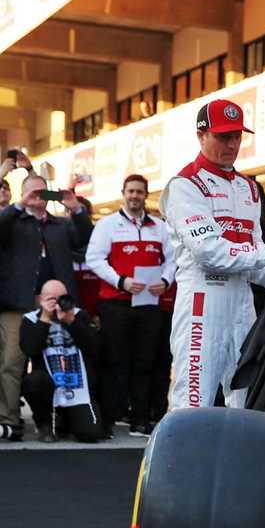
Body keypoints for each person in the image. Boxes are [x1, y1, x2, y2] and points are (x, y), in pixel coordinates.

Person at [160, 98, 265, 410]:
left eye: (237, 136)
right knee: (194, 398)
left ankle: (241, 458)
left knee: (248, 396)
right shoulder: (184, 186)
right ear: (201, 136)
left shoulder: (249, 188)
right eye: (223, 136)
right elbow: (210, 252)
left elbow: (254, 258)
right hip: (202, 298)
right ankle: (182, 459)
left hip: (242, 300)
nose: (232, 144)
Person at [0, 173, 93, 438]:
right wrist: (21, 204)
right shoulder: (13, 221)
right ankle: (10, 420)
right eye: (33, 193)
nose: (38, 197)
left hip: (59, 306)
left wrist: (76, 207)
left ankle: (59, 419)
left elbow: (85, 237)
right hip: (18, 303)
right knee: (12, 363)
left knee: (64, 361)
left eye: (43, 193)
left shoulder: (59, 224)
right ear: (23, 195)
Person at [85, 174, 175, 436]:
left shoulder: (160, 227)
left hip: (149, 303)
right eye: (131, 191)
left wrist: (166, 280)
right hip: (115, 304)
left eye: (139, 192)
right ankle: (110, 418)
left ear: (146, 195)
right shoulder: (107, 225)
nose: (135, 196)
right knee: (115, 361)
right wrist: (120, 281)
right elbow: (95, 258)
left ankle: (140, 418)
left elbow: (173, 260)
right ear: (123, 193)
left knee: (145, 362)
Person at [19, 279, 104, 443]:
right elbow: (29, 349)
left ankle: (66, 422)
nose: (57, 303)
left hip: (78, 388)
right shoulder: (30, 320)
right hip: (48, 387)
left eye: (61, 297)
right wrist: (44, 319)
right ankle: (44, 424)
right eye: (51, 298)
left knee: (90, 434)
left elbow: (95, 348)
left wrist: (71, 321)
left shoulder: (79, 315)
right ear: (40, 300)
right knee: (32, 381)